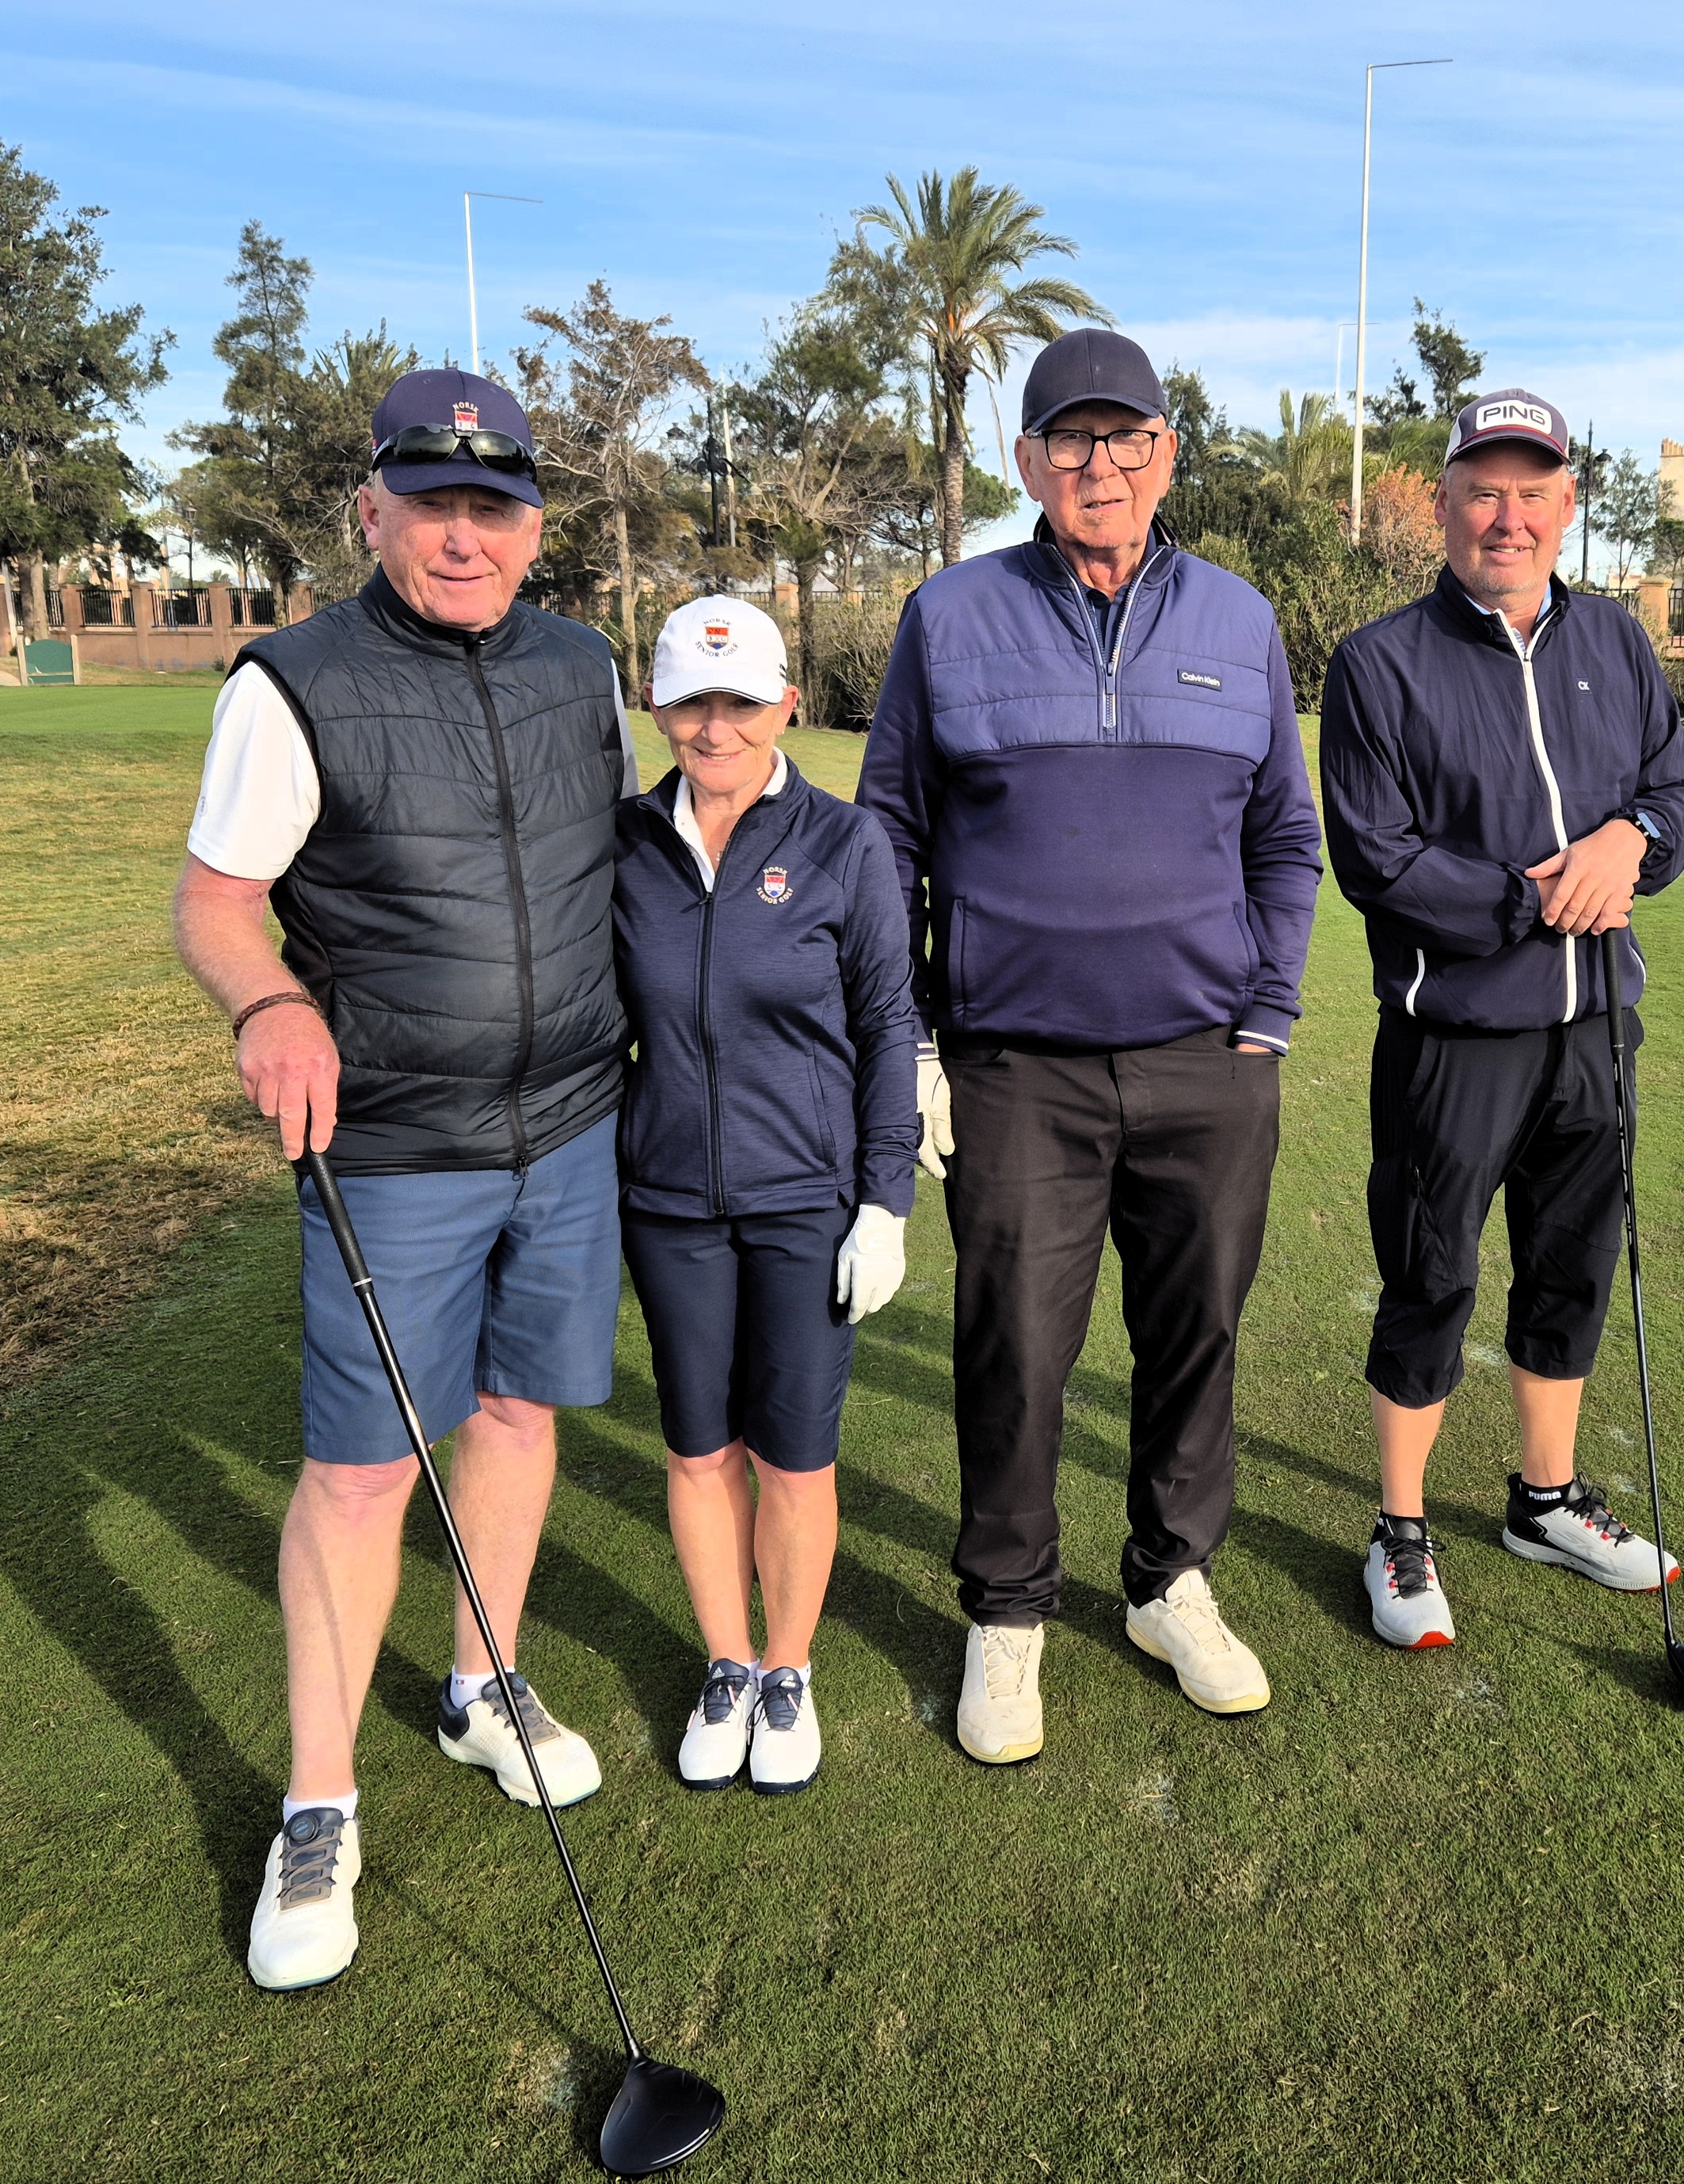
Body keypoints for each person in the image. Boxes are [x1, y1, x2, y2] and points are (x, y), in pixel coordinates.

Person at [174, 369, 637, 1991]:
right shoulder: (291, 682)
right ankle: (318, 1802)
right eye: (431, 503)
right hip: (392, 1148)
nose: (462, 534)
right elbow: (216, 901)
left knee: (517, 1414)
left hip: (570, 1125)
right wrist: (270, 1003)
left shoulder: (583, 667)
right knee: (364, 1473)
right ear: (370, 510)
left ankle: (479, 1684)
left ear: (533, 525)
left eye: (493, 507)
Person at [858, 329, 1323, 1764]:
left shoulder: (1239, 618)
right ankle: (1009, 1607)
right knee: (1013, 1344)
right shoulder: (949, 616)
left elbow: (1283, 835)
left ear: (1168, 454)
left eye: (1127, 438)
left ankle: (1171, 1580)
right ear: (1028, 461)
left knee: (1197, 1333)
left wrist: (1265, 1015)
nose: (1100, 464)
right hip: (1015, 1068)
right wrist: (913, 1039)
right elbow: (885, 837)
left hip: (1206, 1061)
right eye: (1072, 438)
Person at [1318, 388, 1684, 1651]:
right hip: (1455, 1035)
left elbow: (1670, 798)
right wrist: (1536, 898)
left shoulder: (1620, 643)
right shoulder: (1380, 663)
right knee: (1432, 1274)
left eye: (1534, 492)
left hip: (1596, 1030)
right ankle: (1400, 1526)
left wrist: (1631, 840)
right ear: (1443, 503)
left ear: (1567, 505)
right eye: (1484, 490)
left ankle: (1546, 1499)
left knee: (1571, 1265)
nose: (1508, 515)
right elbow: (1376, 858)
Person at [615, 597, 919, 1794]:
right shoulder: (625, 842)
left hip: (807, 1200)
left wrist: (883, 1200)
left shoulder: (845, 842)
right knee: (700, 1447)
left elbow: (888, 1024)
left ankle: (787, 1668)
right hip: (669, 1200)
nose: (716, 726)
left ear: (786, 703)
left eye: (740, 702)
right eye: (692, 701)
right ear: (657, 707)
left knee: (793, 1457)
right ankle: (728, 1663)